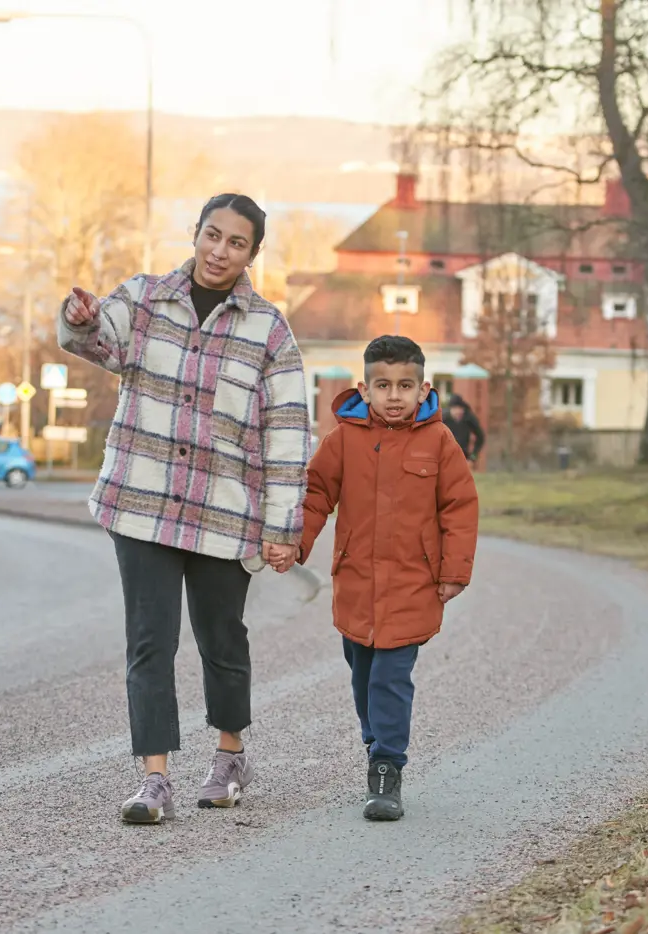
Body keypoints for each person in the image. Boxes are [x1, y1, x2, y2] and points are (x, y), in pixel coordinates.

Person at [58, 193, 309, 824]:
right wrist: (82, 319)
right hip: (143, 503)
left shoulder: (269, 331)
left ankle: (230, 757)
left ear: (252, 254)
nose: (219, 251)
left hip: (224, 514)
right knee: (150, 642)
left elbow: (287, 433)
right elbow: (99, 342)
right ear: (196, 233)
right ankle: (155, 780)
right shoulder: (145, 299)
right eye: (212, 235)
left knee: (222, 639)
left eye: (236, 243)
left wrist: (282, 527)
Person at [297, 335, 479, 820]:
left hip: (412, 585)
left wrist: (454, 571)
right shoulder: (343, 440)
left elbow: (459, 507)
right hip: (356, 583)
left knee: (391, 677)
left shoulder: (440, 443)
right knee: (363, 676)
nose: (394, 396)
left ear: (423, 390)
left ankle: (386, 766)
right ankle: (375, 741)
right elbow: (315, 495)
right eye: (383, 386)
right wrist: (294, 545)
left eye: (404, 386)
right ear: (365, 389)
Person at [443, 393, 486, 465]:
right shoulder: (443, 418)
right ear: (450, 409)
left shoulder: (469, 418)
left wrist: (473, 456)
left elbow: (480, 437)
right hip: (445, 456)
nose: (458, 411)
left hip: (463, 455)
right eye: (455, 409)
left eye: (460, 408)